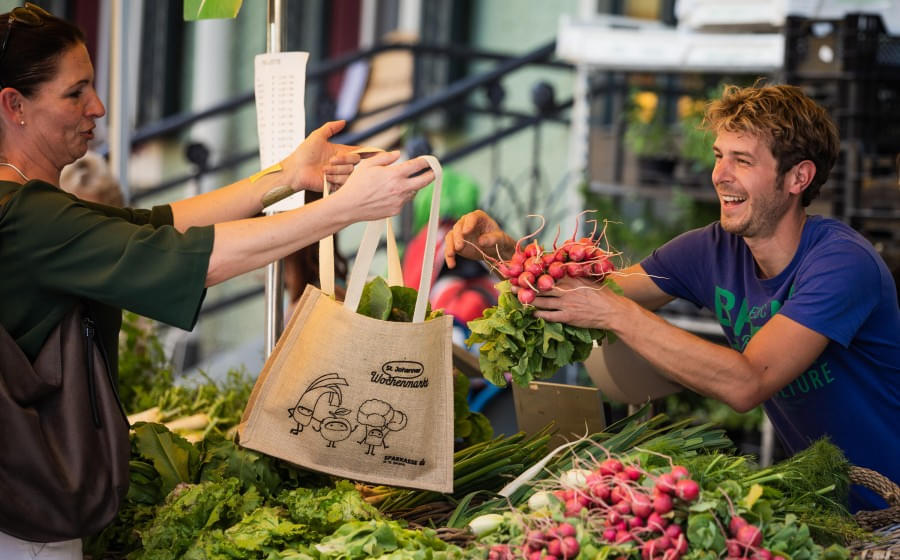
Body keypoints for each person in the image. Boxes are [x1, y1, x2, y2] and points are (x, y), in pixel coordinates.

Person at [0, 4, 432, 557]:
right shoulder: (26, 215)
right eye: (75, 93)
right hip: (22, 521)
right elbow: (190, 257)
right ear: (14, 105)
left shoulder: (31, 206)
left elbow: (160, 224)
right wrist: (343, 210)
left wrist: (287, 176)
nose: (98, 107)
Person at [445, 83, 900, 512]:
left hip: (892, 512)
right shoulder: (711, 249)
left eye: (742, 160)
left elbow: (746, 383)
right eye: (719, 156)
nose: (720, 175)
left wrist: (617, 314)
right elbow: (589, 295)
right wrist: (502, 252)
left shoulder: (842, 264)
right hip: (827, 505)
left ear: (798, 177)